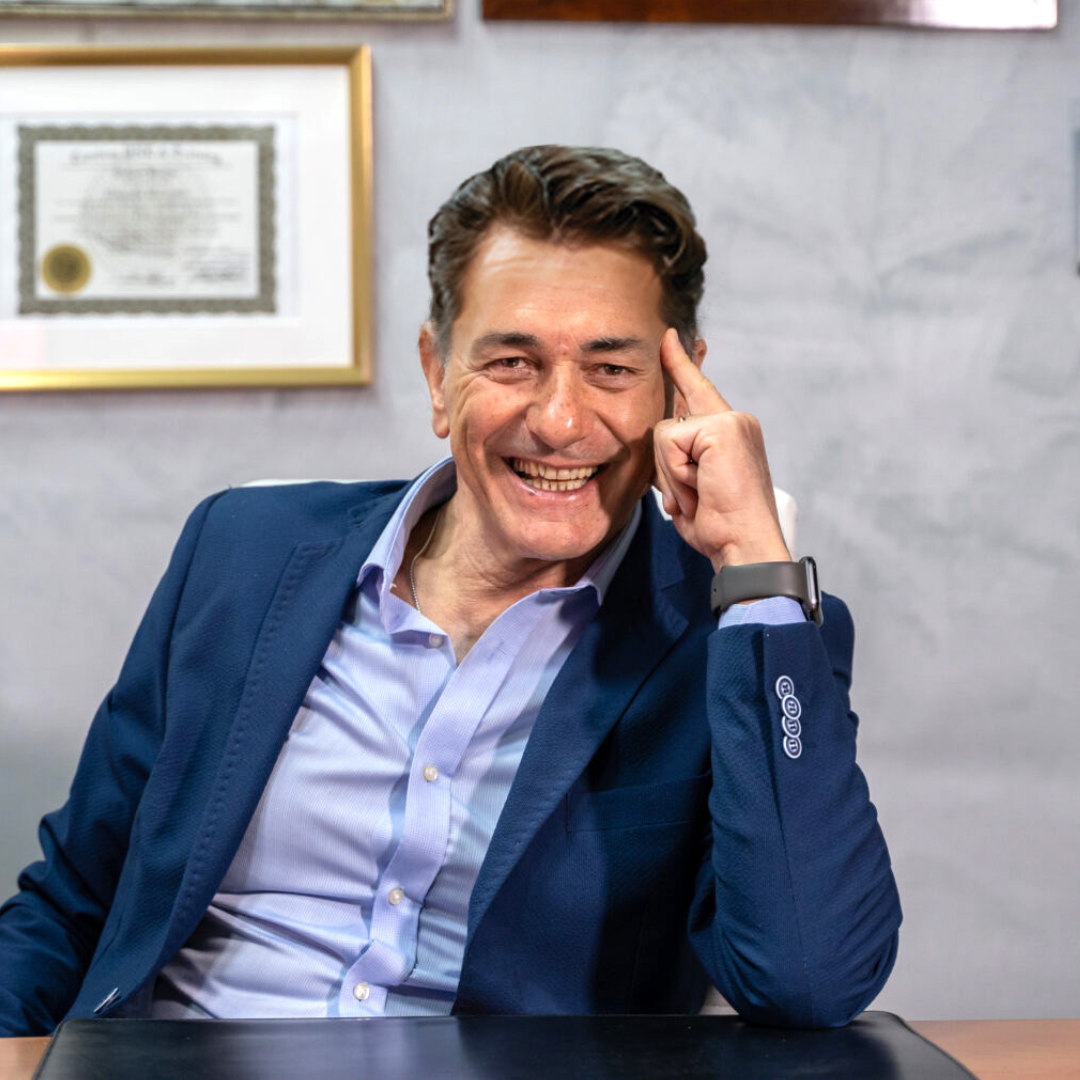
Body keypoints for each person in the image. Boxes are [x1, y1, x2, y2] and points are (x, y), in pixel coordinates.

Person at [0, 145, 901, 1036]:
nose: (559, 420)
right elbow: (73, 900)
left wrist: (756, 567)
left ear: (680, 392)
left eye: (612, 369)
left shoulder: (736, 638)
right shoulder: (241, 552)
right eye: (512, 362)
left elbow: (809, 980)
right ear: (438, 374)